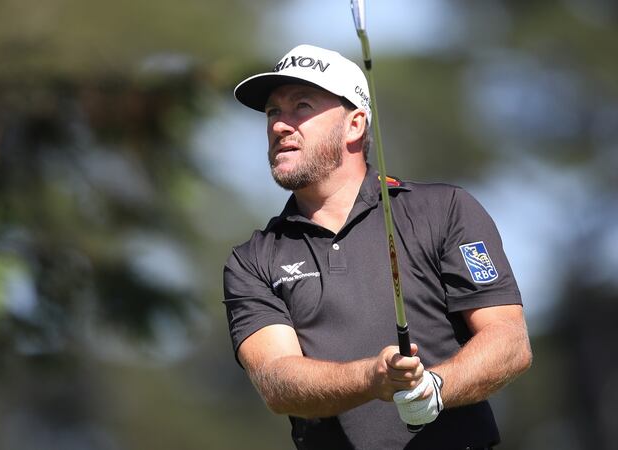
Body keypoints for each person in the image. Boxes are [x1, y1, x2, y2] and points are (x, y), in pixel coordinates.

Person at [222, 44, 532, 449]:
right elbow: (278, 381)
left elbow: (509, 341)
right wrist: (373, 378)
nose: (281, 125)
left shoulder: (442, 210)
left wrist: (436, 388)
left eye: (301, 106)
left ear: (355, 125)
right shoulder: (253, 260)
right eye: (272, 112)